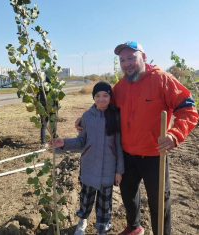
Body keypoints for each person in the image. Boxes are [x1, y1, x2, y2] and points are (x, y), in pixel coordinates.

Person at [76, 41, 198, 235]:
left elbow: (188, 110)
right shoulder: (120, 87)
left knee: (159, 200)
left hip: (154, 154)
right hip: (126, 153)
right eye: (122, 60)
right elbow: (102, 103)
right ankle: (134, 227)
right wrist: (86, 116)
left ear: (143, 56)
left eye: (131, 58)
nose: (127, 63)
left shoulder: (163, 80)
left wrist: (175, 135)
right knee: (128, 194)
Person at [50, 81, 124, 235]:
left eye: (105, 95)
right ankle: (82, 220)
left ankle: (102, 228)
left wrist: (119, 171)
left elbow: (118, 146)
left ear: (110, 97)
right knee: (86, 198)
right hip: (89, 166)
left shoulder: (116, 117)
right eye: (97, 95)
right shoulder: (87, 116)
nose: (101, 99)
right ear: (93, 97)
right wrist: (64, 142)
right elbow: (81, 141)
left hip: (108, 169)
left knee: (105, 203)